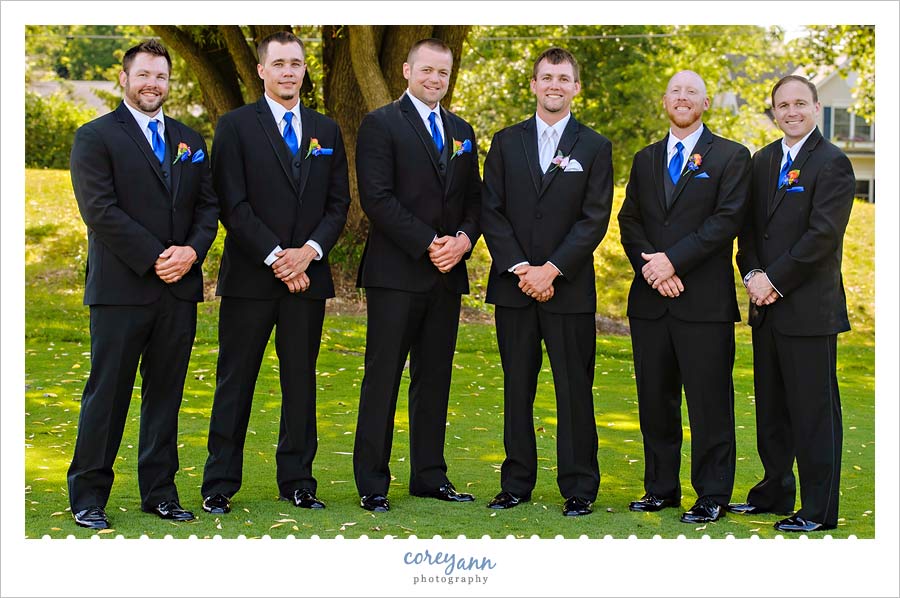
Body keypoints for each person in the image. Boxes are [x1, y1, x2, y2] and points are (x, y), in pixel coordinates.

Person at [67, 40, 219, 529]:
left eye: (161, 76)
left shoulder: (190, 140)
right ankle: (88, 496)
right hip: (120, 290)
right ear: (124, 78)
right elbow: (100, 211)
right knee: (107, 395)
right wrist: (157, 257)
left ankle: (160, 492)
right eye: (144, 75)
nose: (153, 83)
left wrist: (192, 252)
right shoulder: (95, 137)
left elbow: (207, 208)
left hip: (178, 291)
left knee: (166, 395)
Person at [201, 31, 350, 514]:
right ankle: (219, 483)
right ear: (262, 70)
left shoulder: (325, 131)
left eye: (297, 63)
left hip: (308, 277)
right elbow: (232, 203)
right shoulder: (235, 126)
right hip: (251, 278)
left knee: (301, 382)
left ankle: (298, 481)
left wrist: (307, 253)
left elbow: (338, 204)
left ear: (306, 70)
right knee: (235, 380)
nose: (289, 71)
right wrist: (276, 257)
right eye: (280, 63)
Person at [480, 47, 613, 517]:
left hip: (569, 288)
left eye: (563, 78)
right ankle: (516, 482)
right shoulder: (504, 141)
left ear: (576, 87)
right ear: (533, 85)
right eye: (546, 77)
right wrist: (520, 268)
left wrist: (552, 269)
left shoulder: (595, 147)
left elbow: (594, 218)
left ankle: (579, 486)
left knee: (573, 387)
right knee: (517, 385)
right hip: (514, 288)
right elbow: (490, 210)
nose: (554, 85)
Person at [352, 38, 481, 512]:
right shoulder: (381, 124)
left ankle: (429, 475)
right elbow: (377, 198)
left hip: (447, 276)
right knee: (382, 376)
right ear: (406, 70)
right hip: (396, 273)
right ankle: (372, 481)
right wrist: (431, 243)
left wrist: (464, 240)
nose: (435, 80)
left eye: (443, 73)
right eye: (426, 70)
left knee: (435, 378)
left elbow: (474, 200)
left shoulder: (462, 129)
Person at [618, 70, 750, 524]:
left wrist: (672, 261)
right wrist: (652, 270)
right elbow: (629, 221)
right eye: (675, 90)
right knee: (655, 402)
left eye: (691, 91)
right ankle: (660, 488)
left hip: (703, 303)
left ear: (706, 103)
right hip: (652, 302)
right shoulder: (645, 158)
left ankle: (712, 494)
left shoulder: (732, 157)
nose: (682, 97)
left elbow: (726, 220)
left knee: (709, 403)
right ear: (664, 100)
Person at [730, 75, 855, 533]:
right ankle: (774, 491)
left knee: (814, 414)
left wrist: (774, 281)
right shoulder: (762, 161)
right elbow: (747, 230)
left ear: (817, 108)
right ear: (774, 111)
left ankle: (818, 511)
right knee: (773, 411)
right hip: (766, 310)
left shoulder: (833, 163)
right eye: (783, 105)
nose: (791, 112)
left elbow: (822, 237)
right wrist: (751, 274)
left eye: (800, 103)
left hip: (808, 310)